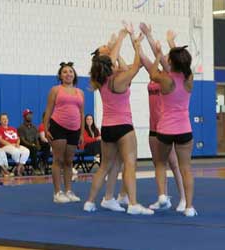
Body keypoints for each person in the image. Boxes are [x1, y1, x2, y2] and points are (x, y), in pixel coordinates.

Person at [83, 23, 154, 215]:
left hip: (107, 128)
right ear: (106, 61)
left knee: (107, 165)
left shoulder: (101, 79)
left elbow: (121, 65)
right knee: (130, 163)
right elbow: (136, 67)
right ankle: (132, 203)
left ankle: (95, 201)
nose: (109, 48)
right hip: (123, 126)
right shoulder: (118, 79)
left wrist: (119, 47)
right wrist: (133, 43)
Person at [147, 38, 197, 217]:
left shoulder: (165, 79)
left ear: (170, 62)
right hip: (184, 129)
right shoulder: (189, 78)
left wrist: (158, 55)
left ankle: (162, 195)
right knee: (186, 168)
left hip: (165, 130)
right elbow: (182, 61)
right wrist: (171, 42)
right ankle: (189, 207)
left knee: (160, 163)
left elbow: (152, 72)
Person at [138, 23, 185, 212]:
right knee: (158, 163)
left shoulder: (173, 78)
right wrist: (139, 39)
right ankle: (162, 197)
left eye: (167, 58)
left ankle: (183, 197)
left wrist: (170, 41)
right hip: (153, 126)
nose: (164, 58)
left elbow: (173, 56)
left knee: (174, 164)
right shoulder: (155, 74)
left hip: (168, 125)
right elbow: (143, 58)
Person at [44, 62, 85, 203]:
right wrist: (45, 128)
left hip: (74, 129)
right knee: (58, 159)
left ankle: (69, 191)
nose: (68, 74)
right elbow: (49, 109)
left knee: (69, 161)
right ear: (60, 76)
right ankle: (57, 193)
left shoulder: (80, 92)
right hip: (58, 126)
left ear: (74, 75)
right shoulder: (56, 90)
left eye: (71, 72)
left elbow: (82, 113)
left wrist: (81, 133)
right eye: (65, 72)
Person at [17, 109, 41, 174]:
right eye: (28, 115)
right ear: (24, 116)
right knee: (33, 148)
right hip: (25, 145)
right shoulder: (21, 128)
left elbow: (36, 138)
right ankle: (35, 168)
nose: (30, 116)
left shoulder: (34, 127)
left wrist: (38, 144)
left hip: (33, 145)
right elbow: (23, 140)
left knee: (45, 147)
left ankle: (43, 165)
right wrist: (32, 145)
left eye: (31, 114)